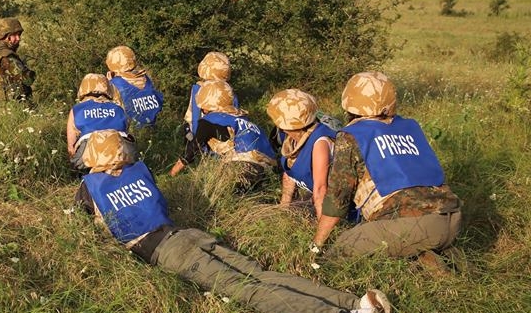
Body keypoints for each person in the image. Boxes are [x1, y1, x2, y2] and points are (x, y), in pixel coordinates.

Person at [74, 130, 395, 313]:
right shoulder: (139, 169)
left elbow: (84, 231)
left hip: (167, 251)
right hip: (186, 234)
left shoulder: (89, 187)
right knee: (259, 276)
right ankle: (355, 305)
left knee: (250, 293)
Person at [310, 71, 462, 261]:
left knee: (343, 247)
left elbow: (337, 199)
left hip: (413, 225)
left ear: (349, 102)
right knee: (408, 246)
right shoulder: (410, 127)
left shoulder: (351, 135)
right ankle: (437, 262)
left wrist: (317, 245)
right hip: (452, 219)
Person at [169, 79, 276, 189]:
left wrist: (172, 174)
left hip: (242, 168)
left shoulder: (209, 120)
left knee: (204, 188)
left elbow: (193, 148)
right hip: (268, 173)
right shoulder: (244, 120)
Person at [266, 88, 337, 217]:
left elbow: (321, 190)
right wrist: (283, 209)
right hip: (312, 194)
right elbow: (289, 173)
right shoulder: (289, 137)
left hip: (331, 204)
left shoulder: (320, 142)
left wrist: (320, 233)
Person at [66, 73, 136, 170]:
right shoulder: (118, 108)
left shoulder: (76, 110)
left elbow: (71, 147)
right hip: (121, 154)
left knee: (78, 161)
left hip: (89, 157)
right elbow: (126, 130)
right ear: (107, 88)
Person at [105, 46, 163, 129]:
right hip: (154, 128)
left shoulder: (115, 83)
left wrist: (108, 84)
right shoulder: (146, 78)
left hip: (130, 131)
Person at [183, 52, 235, 140]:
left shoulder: (198, 89)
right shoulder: (228, 91)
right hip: (223, 141)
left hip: (199, 138)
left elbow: (191, 117)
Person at [0, 17, 35, 103]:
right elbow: (27, 80)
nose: (18, 39)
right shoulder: (7, 56)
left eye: (19, 35)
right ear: (5, 36)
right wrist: (30, 70)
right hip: (13, 104)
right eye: (14, 35)